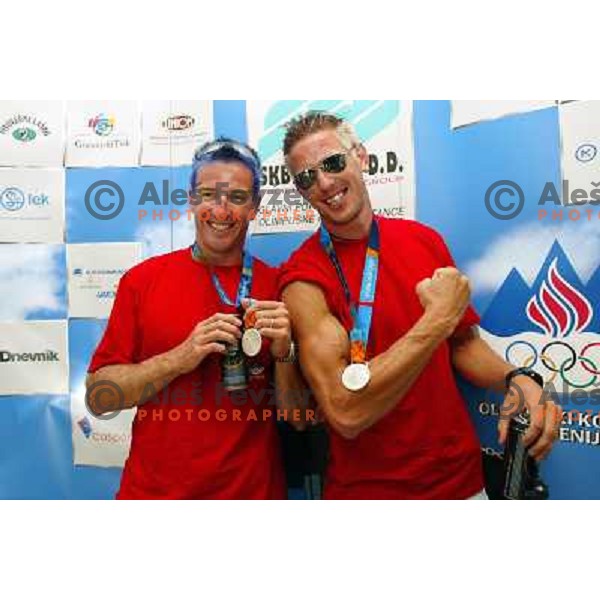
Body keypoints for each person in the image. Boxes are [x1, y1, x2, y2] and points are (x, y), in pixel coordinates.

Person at [278, 111, 563, 500]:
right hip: (369, 493)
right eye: (307, 177)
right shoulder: (302, 279)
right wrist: (436, 321)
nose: (324, 183)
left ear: (360, 156)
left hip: (462, 483)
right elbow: (345, 412)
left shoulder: (423, 240)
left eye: (332, 163)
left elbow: (461, 344)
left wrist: (517, 378)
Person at [86, 138, 308, 500]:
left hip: (252, 495)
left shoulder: (279, 286)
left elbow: (298, 417)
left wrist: (285, 352)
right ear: (191, 202)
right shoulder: (142, 281)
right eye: (208, 195)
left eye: (236, 197)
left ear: (254, 207)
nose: (220, 211)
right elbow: (100, 398)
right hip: (156, 496)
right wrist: (180, 357)